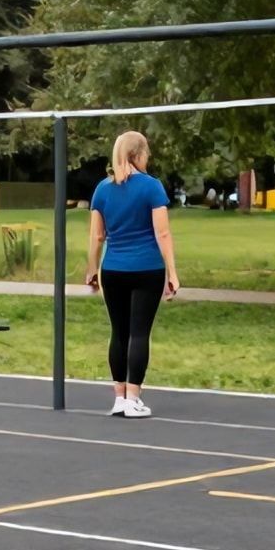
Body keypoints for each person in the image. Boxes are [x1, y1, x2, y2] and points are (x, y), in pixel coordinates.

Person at [83, 131, 180, 418]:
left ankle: (119, 397)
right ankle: (134, 398)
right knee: (139, 333)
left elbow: (97, 236)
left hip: (113, 269)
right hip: (147, 269)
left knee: (119, 332)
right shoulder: (152, 187)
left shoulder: (102, 189)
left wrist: (92, 268)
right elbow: (162, 232)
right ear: (138, 155)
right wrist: (173, 272)